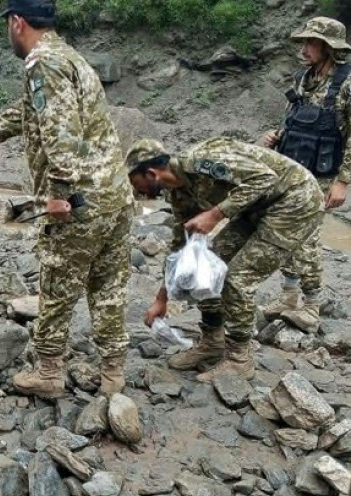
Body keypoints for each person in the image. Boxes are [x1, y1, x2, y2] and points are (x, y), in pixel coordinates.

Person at [0, 0, 135, 398]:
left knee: (56, 284)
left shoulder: (41, 63)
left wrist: (59, 194)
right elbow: (31, 112)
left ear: (17, 22)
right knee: (109, 286)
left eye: (8, 25)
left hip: (79, 201)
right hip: (114, 195)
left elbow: (60, 134)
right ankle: (112, 376)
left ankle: (49, 372)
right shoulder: (69, 57)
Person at [127, 137, 324, 382]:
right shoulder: (180, 196)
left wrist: (216, 213)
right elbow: (181, 248)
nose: (137, 192)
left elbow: (266, 178)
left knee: (236, 279)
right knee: (206, 267)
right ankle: (212, 340)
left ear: (151, 173)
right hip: (255, 208)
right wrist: (161, 299)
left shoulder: (204, 158)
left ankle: (239, 360)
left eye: (137, 184)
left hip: (295, 201)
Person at [260, 16, 351, 334]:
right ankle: (288, 297)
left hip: (323, 175)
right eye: (304, 42)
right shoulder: (304, 78)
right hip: (291, 169)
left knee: (308, 239)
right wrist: (274, 135)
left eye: (311, 42)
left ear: (328, 47)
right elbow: (293, 119)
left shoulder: (346, 84)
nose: (304, 48)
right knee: (285, 235)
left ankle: (311, 306)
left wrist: (343, 182)